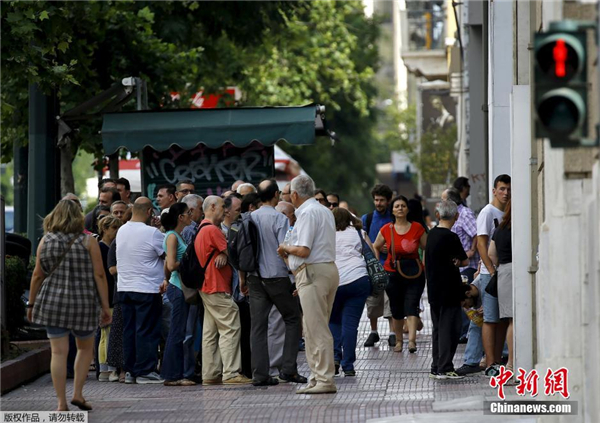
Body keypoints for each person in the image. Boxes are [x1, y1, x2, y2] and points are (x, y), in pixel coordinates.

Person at [27, 200, 111, 411]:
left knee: (58, 353)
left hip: (53, 303)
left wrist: (31, 303)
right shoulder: (88, 241)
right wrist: (105, 305)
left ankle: (61, 403)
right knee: (84, 349)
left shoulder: (45, 240)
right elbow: (99, 274)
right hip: (83, 302)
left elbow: (38, 274)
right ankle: (78, 394)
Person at [277, 175, 339, 395]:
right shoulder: (323, 210)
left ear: (294, 194)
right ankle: (317, 376)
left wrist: (285, 246)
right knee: (313, 328)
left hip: (313, 272)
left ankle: (324, 379)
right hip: (325, 270)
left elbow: (303, 250)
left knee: (316, 328)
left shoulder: (306, 213)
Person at [244, 179, 305, 386]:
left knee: (258, 326)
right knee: (292, 318)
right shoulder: (280, 219)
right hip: (277, 277)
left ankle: (260, 374)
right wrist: (295, 275)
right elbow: (284, 249)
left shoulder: (249, 217)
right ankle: (288, 368)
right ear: (276, 195)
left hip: (254, 277)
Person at [457, 174, 511, 377]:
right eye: (502, 189)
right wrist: (490, 268)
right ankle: (489, 363)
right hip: (492, 274)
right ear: (494, 190)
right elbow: (481, 243)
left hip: (505, 271)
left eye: (508, 189)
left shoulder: (508, 211)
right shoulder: (488, 212)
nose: (506, 193)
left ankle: (497, 359)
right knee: (488, 318)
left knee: (502, 319)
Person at [195, 196, 251, 385]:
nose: (226, 211)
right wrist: (224, 253)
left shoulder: (202, 228)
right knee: (231, 325)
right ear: (212, 207)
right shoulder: (213, 230)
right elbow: (232, 253)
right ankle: (231, 372)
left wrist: (222, 253)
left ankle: (210, 373)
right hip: (217, 285)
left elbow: (223, 252)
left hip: (206, 286)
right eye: (222, 207)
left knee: (210, 331)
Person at [116, 197, 166, 384]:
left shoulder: (121, 230)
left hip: (125, 288)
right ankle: (145, 371)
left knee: (129, 330)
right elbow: (168, 253)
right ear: (148, 212)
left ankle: (130, 371)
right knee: (146, 330)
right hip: (147, 288)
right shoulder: (152, 233)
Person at [373, 195, 427, 353]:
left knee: (412, 306)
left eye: (403, 205)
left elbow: (427, 247)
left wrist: (425, 263)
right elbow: (376, 246)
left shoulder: (417, 228)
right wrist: (379, 265)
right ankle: (398, 341)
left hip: (415, 273)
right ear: (393, 210)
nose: (400, 208)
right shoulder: (387, 229)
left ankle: (411, 342)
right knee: (396, 309)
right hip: (392, 273)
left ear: (407, 209)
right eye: (397, 206)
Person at [424, 200, 469, 380]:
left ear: (438, 215)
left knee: (438, 329)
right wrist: (458, 262)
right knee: (450, 329)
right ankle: (445, 367)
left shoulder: (432, 234)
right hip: (449, 290)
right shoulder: (451, 237)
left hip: (434, 289)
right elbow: (464, 260)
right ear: (456, 216)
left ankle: (436, 366)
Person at [329, 208, 372, 377]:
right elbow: (372, 254)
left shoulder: (327, 234)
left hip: (334, 281)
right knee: (350, 324)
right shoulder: (359, 232)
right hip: (358, 280)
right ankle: (348, 365)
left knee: (333, 321)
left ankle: (334, 358)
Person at [159, 203, 197, 386]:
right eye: (187, 213)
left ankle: (174, 373)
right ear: (180, 217)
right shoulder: (172, 236)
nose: (190, 215)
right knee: (176, 332)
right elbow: (172, 264)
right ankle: (173, 375)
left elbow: (168, 265)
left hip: (177, 286)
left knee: (179, 331)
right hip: (178, 288)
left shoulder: (176, 235)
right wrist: (190, 263)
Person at [442, 187, 479, 343]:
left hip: (468, 266)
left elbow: (478, 233)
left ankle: (467, 333)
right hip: (459, 267)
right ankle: (463, 332)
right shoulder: (452, 215)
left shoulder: (465, 214)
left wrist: (471, 250)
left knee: (467, 299)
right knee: (460, 300)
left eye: (443, 199)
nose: (441, 203)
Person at [361, 184, 395, 348]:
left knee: (390, 301)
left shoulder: (394, 218)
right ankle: (373, 332)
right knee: (372, 301)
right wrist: (375, 245)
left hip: (391, 266)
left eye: (382, 200)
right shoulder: (366, 219)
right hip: (373, 267)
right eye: (376, 200)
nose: (378, 203)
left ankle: (392, 333)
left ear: (388, 201)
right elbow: (362, 240)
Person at [179, 194, 205, 383]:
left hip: (190, 287)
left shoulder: (193, 228)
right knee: (190, 331)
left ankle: (191, 368)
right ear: (190, 210)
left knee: (192, 330)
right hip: (189, 288)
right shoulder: (189, 230)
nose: (202, 212)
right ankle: (188, 370)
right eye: (200, 208)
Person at [97, 216, 122, 383]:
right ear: (105, 229)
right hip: (105, 295)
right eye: (114, 228)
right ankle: (106, 367)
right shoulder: (100, 248)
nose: (116, 232)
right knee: (107, 332)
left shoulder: (111, 246)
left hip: (110, 293)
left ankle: (105, 367)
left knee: (107, 333)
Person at [489, 199, 513, 371]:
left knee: (509, 319)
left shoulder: (499, 229)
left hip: (503, 272)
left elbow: (492, 254)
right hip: (515, 272)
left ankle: (510, 361)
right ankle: (512, 363)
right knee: (515, 320)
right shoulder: (518, 228)